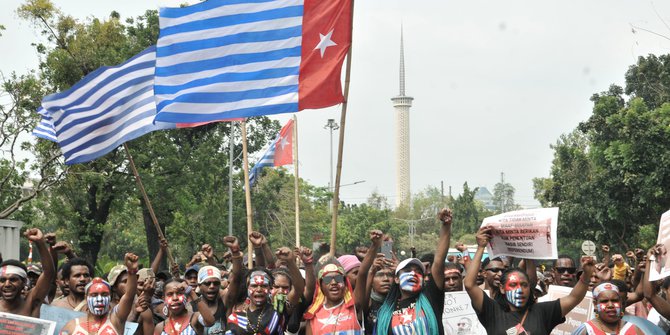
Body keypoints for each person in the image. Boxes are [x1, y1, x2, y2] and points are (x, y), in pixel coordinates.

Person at [464, 225, 595, 335]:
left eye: (524, 285)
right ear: (502, 288)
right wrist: (481, 247)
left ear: (530, 288)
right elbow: (469, 284)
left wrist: (587, 275)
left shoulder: (543, 312)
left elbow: (574, 298)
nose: (519, 289)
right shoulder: (492, 311)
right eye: (513, 284)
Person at [374, 208, 453, 335]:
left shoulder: (431, 297)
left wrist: (446, 225)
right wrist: (385, 246)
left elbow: (438, 261)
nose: (413, 274)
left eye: (418, 272)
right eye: (407, 271)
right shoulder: (386, 310)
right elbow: (385, 264)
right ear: (396, 279)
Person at [224, 236, 303, 335]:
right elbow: (235, 280)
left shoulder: (278, 311)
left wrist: (291, 261)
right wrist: (235, 252)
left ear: (270, 288)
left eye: (264, 286)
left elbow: (298, 289)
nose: (259, 289)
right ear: (247, 288)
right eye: (254, 285)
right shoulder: (235, 318)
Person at [60, 253, 141, 335]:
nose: (99, 299)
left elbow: (129, 295)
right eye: (94, 295)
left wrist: (132, 271)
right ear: (86, 298)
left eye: (104, 295)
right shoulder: (72, 326)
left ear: (110, 297)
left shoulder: (116, 320)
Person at [0, 228, 55, 317]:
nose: (7, 284)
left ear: (24, 282)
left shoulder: (31, 302)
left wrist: (40, 242)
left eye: (13, 279)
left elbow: (48, 273)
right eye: (2, 280)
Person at [574, 282, 643, 334]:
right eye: (604, 301)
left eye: (615, 300)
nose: (610, 305)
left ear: (621, 303)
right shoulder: (586, 330)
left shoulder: (634, 329)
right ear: (595, 304)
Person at [193, 265, 226, 334]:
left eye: (216, 283)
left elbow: (236, 280)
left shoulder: (225, 301)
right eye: (207, 283)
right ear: (199, 285)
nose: (212, 286)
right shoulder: (191, 307)